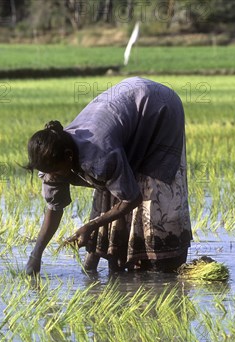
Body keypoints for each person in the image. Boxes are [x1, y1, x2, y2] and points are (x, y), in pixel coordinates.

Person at [25, 77, 192, 275]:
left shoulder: (99, 153)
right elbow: (54, 207)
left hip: (158, 107)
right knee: (112, 183)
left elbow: (132, 198)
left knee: (152, 188)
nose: (52, 177)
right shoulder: (52, 159)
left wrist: (91, 225)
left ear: (69, 157)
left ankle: (158, 261)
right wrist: (36, 255)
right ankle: (117, 255)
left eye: (56, 172)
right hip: (127, 103)